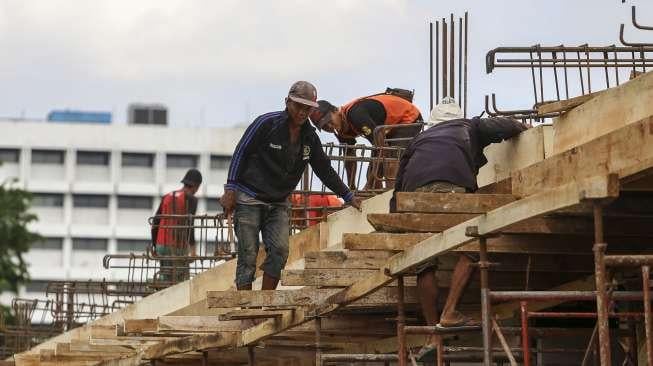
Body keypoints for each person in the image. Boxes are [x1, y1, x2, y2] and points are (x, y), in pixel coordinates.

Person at [390, 97, 529, 361]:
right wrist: (523, 127)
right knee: (474, 244)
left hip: (411, 196)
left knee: (424, 262)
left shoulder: (418, 141)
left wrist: (395, 219)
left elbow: (398, 183)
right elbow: (502, 125)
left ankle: (433, 334)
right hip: (450, 185)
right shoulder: (468, 126)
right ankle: (450, 312)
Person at [220, 81, 362, 291]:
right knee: (247, 254)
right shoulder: (266, 124)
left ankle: (265, 302)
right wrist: (230, 188)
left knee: (279, 250)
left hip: (278, 202)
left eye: (307, 108)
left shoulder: (309, 138)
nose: (302, 112)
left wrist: (348, 196)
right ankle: (245, 305)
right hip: (249, 198)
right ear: (288, 103)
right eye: (298, 106)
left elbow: (324, 170)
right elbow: (241, 152)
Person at [309, 94, 423, 190]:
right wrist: (351, 188)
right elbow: (350, 159)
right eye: (324, 126)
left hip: (408, 118)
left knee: (391, 157)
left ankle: (392, 194)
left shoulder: (355, 115)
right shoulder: (342, 130)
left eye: (329, 121)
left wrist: (370, 183)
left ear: (335, 111)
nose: (329, 126)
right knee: (373, 173)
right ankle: (378, 192)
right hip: (389, 128)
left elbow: (383, 147)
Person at [151, 168, 202, 284]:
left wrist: (154, 246)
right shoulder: (192, 199)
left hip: (161, 245)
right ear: (196, 186)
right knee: (180, 282)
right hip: (177, 246)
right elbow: (189, 225)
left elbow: (155, 222)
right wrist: (193, 250)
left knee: (165, 277)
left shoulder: (167, 196)